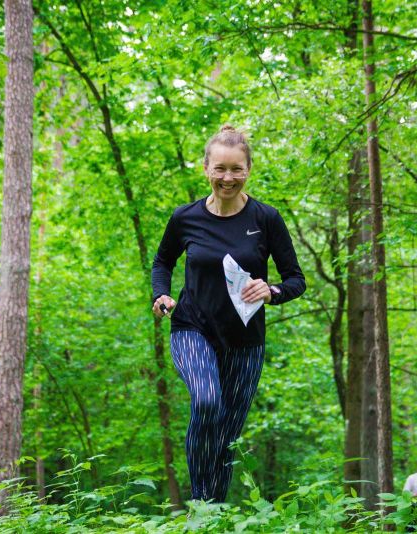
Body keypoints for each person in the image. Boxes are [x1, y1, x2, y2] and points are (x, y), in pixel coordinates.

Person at [150, 124, 306, 503]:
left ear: (248, 169)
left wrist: (272, 291)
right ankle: (199, 503)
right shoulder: (185, 217)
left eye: (236, 169)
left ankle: (212, 513)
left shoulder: (266, 219)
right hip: (192, 328)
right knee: (206, 401)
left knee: (226, 436)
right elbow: (162, 261)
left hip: (245, 341)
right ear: (206, 168)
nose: (228, 178)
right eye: (220, 169)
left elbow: (296, 279)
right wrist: (162, 295)